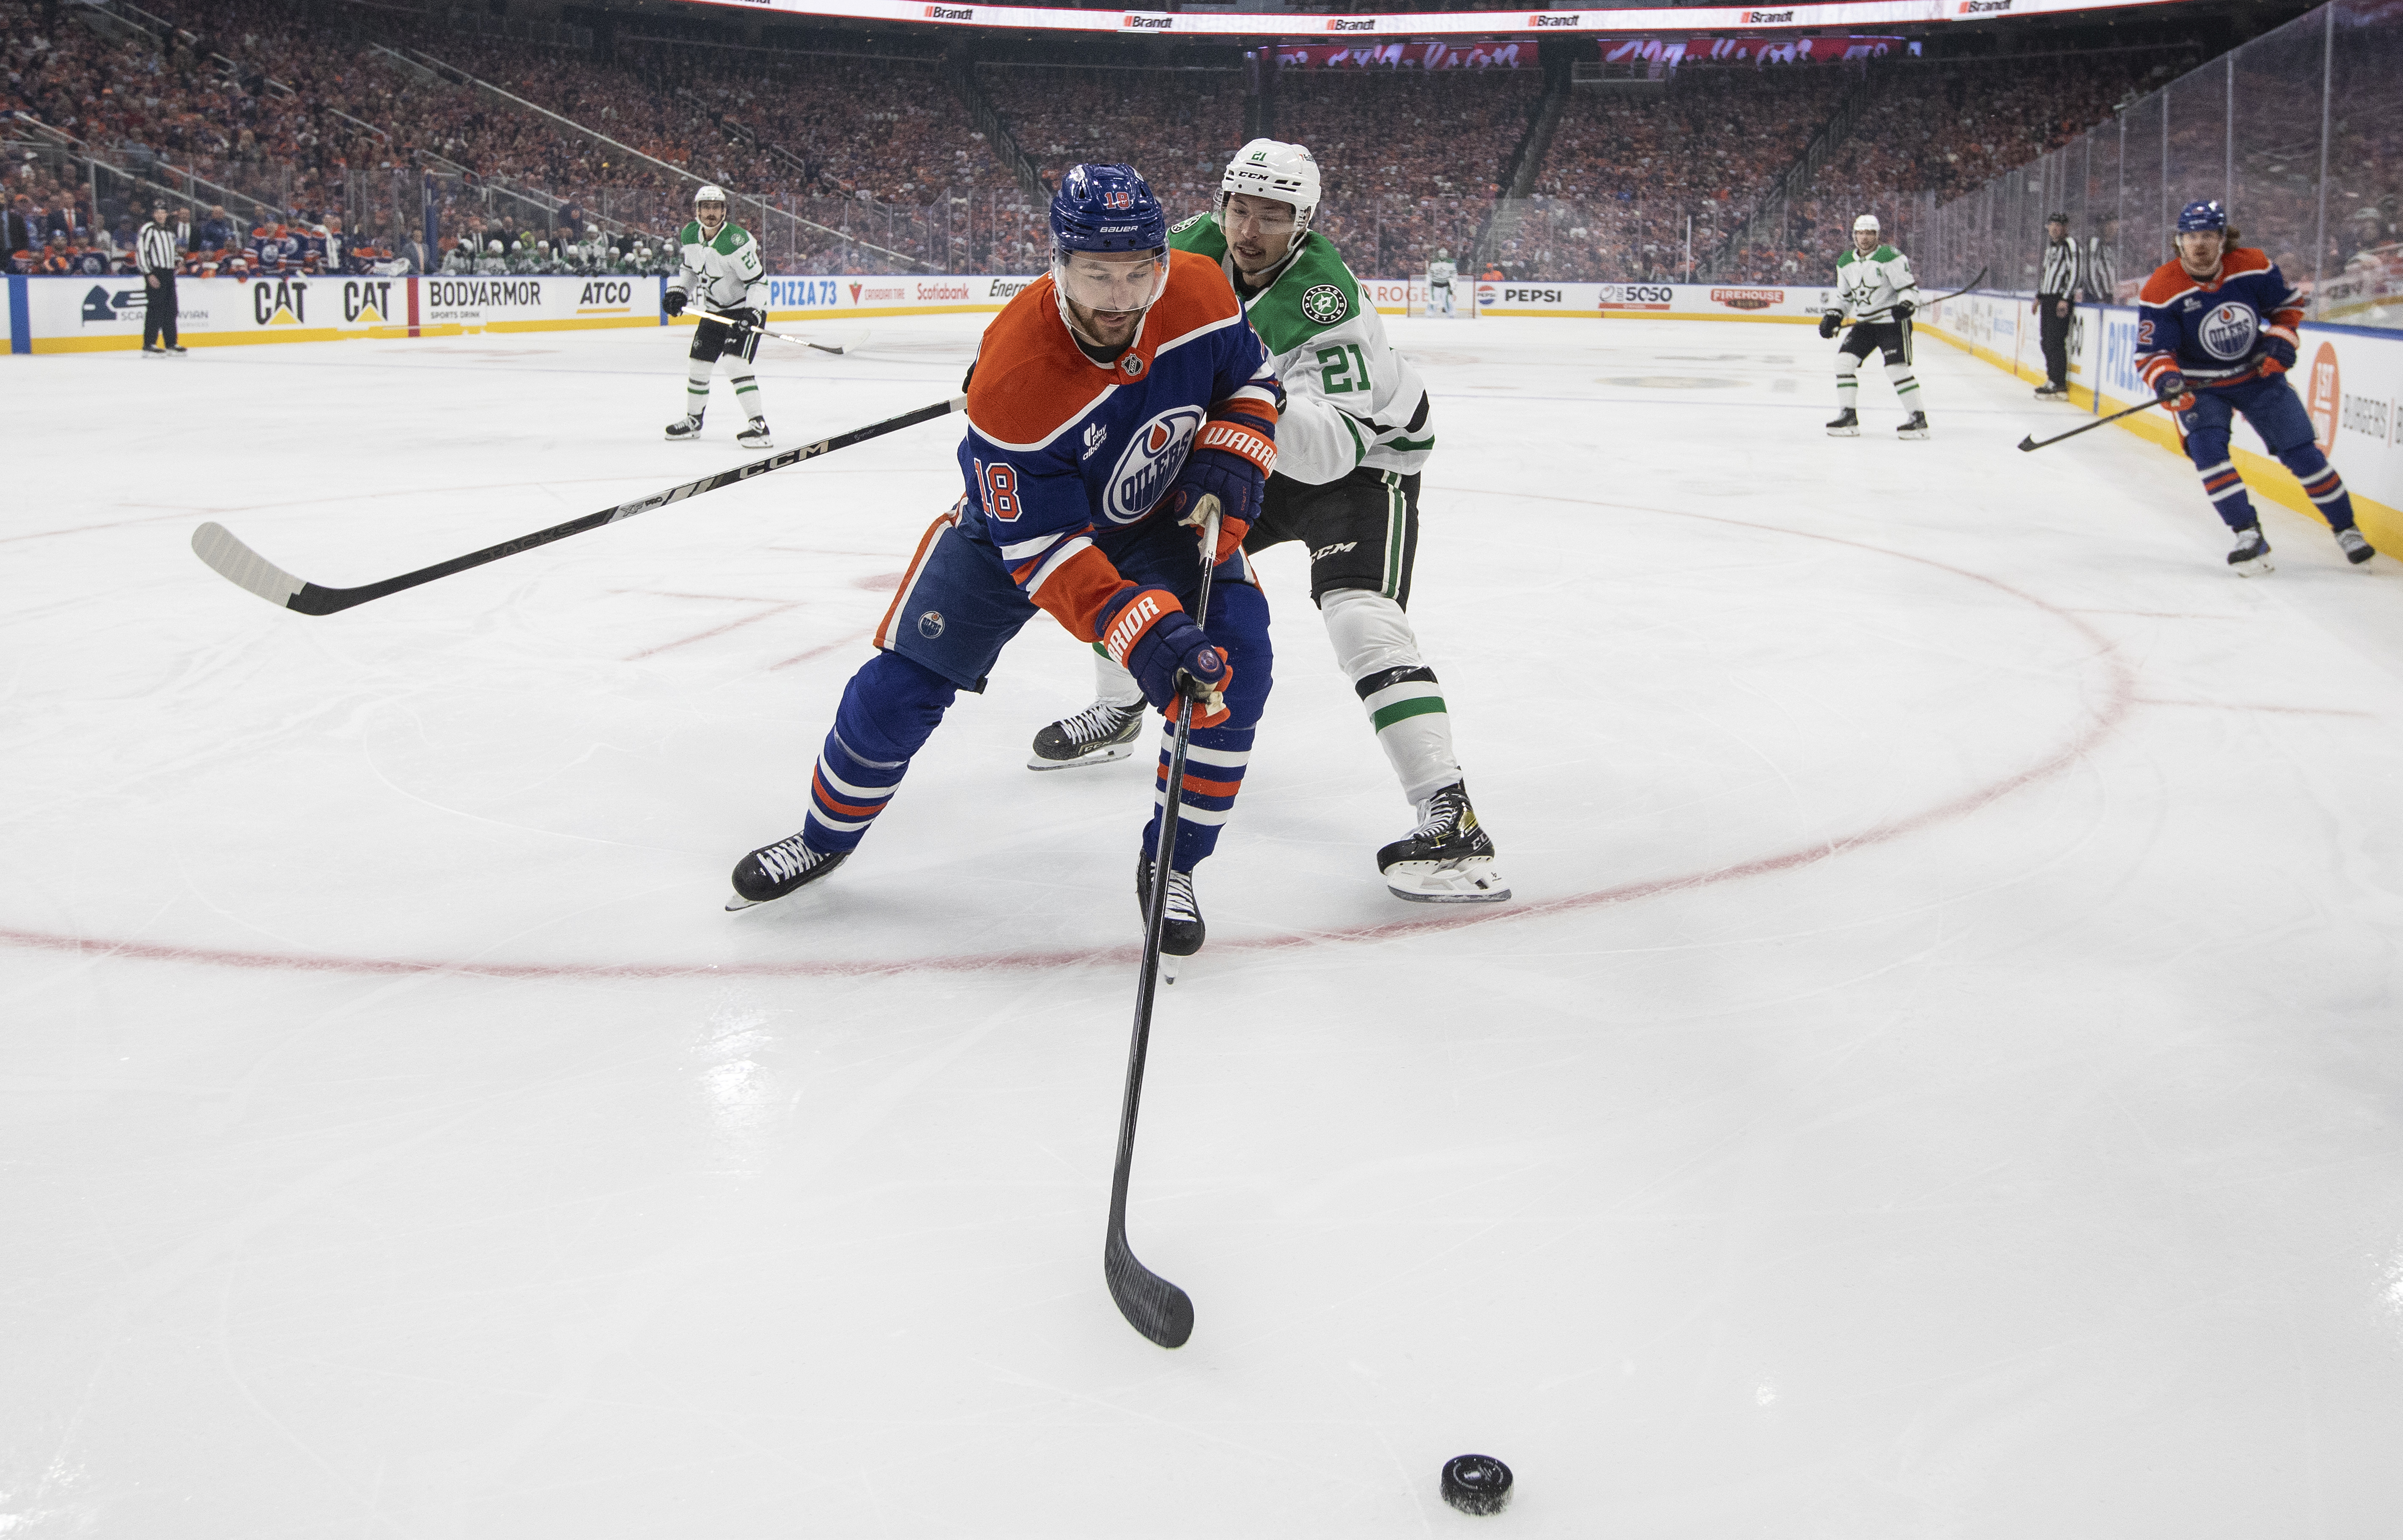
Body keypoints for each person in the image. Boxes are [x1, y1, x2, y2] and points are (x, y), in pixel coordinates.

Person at [724, 164, 1281, 968]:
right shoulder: (1015, 379)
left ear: (1163, 260)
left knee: (1242, 662)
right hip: (1016, 539)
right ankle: (823, 837)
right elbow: (1051, 556)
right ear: (1057, 263)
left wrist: (1234, 451)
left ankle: (1174, 863)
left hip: (1159, 512)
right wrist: (1143, 635)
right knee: (897, 691)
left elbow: (1252, 379)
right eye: (1097, 274)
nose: (1121, 299)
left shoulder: (1197, 291)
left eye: (1138, 273)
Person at [1026, 139, 1507, 904]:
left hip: (1358, 460)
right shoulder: (1188, 245)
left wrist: (1236, 400)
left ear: (1304, 222)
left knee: (1361, 620)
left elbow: (1329, 448)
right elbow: (1090, 288)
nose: (1248, 232)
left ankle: (1450, 819)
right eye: (1239, 209)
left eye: (1272, 217)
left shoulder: (1324, 299)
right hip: (1249, 445)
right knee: (1126, 541)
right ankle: (1119, 708)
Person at [2137, 199, 2376, 573]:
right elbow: (2152, 353)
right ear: (2179, 241)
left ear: (2223, 240)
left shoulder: (2252, 266)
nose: (2199, 244)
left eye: (2209, 236)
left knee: (2302, 453)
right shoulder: (2161, 287)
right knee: (2207, 451)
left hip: (2256, 377)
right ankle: (2247, 532)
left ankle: (2347, 530)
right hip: (2202, 385)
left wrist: (2280, 341)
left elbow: (2288, 309)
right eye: (2191, 236)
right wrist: (2168, 379)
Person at [659, 184, 773, 449]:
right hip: (714, 310)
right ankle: (693, 422)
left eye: (716, 208)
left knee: (735, 363)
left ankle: (759, 426)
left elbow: (758, 282)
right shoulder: (690, 234)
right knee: (698, 364)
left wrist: (752, 314)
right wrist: (679, 291)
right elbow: (689, 269)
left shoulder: (736, 241)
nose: (711, 213)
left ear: (724, 211)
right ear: (698, 211)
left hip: (744, 311)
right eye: (706, 207)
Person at [1819, 213, 1928, 439]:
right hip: (1866, 324)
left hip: (1892, 323)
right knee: (1843, 362)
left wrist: (1906, 305)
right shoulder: (1845, 262)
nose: (1865, 238)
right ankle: (1848, 417)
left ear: (1877, 236)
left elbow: (1908, 288)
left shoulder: (1891, 256)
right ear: (1854, 236)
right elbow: (1845, 297)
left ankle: (1918, 420)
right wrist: (1834, 316)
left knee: (1895, 369)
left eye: (1870, 233)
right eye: (1861, 233)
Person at [2034, 211, 2080, 400]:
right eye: (2052, 224)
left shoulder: (2070, 245)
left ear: (2066, 227)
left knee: (2055, 341)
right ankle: (2052, 378)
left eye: (2060, 225)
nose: (2055, 228)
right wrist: (2039, 296)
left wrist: (2065, 298)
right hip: (2048, 299)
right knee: (2046, 341)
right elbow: (2046, 274)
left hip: (2059, 300)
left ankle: (2059, 383)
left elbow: (2075, 272)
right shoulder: (2051, 248)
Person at [136, 201, 185, 355]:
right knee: (155, 308)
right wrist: (148, 273)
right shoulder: (148, 229)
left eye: (163, 212)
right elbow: (141, 252)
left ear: (166, 214)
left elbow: (171, 252)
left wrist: (177, 261)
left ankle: (171, 343)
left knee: (171, 309)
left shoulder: (170, 231)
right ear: (153, 214)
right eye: (157, 212)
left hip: (169, 273)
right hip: (156, 272)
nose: (160, 215)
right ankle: (149, 343)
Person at [1427, 247, 1458, 317]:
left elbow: (1454, 274)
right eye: (1441, 254)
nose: (1443, 255)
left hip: (1446, 286)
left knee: (1447, 301)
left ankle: (1451, 314)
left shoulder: (1451, 263)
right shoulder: (1434, 262)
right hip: (1435, 285)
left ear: (1447, 254)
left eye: (1444, 254)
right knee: (1433, 300)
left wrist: (1454, 283)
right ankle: (1430, 314)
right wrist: (1428, 282)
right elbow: (1430, 274)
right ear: (1439, 254)